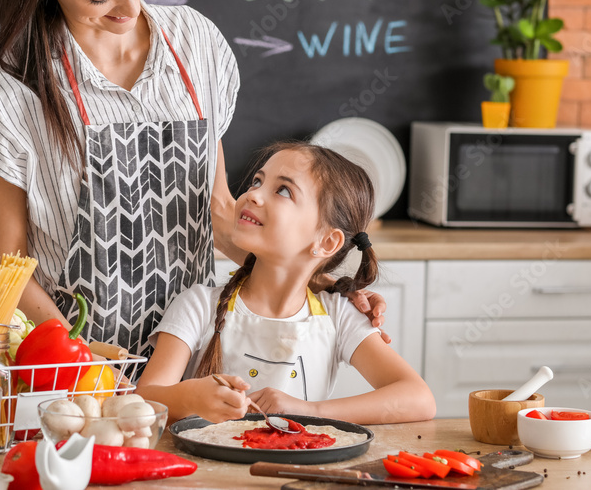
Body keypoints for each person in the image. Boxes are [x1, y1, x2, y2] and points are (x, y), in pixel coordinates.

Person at [0, 0, 387, 357]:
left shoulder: (195, 43)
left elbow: (221, 218)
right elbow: (9, 264)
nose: (131, 7)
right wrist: (78, 354)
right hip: (70, 370)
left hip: (193, 357)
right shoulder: (10, 84)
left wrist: (323, 291)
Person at [135, 142, 436, 425]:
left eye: (283, 190)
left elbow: (419, 399)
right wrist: (188, 399)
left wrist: (309, 411)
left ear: (327, 241)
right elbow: (143, 399)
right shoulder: (197, 305)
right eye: (257, 181)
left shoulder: (338, 315)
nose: (252, 194)